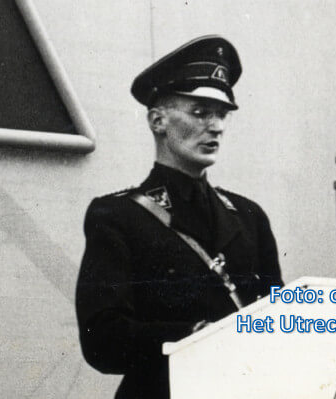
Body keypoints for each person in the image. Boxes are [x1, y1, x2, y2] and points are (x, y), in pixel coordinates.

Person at [75, 35, 283, 399]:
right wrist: (195, 336)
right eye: (200, 112)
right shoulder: (118, 216)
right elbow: (102, 340)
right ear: (158, 121)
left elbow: (277, 327)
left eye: (221, 114)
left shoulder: (250, 218)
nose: (216, 126)